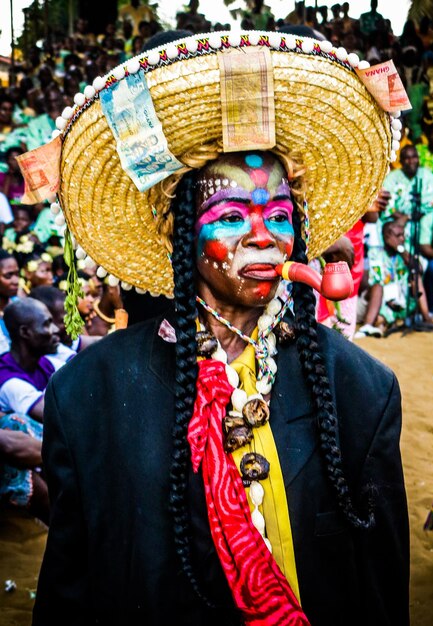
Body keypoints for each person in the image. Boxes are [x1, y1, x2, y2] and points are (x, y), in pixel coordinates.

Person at [32, 31, 409, 625]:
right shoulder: (87, 397)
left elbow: (380, 591)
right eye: (232, 216)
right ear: (177, 233)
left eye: (279, 214)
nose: (263, 236)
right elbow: (70, 593)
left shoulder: (363, 391)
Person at [0, 298, 61, 422]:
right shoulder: (7, 379)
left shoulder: (47, 362)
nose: (56, 329)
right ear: (25, 332)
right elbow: (59, 417)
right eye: (47, 324)